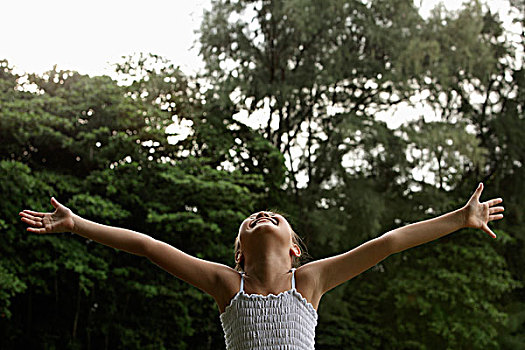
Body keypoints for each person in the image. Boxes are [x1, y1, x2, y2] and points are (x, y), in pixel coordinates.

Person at [19, 182, 504, 349]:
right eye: (251, 219)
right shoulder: (227, 286)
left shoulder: (310, 282)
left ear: (295, 248)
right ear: (238, 253)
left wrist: (459, 218)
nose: (261, 216)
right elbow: (148, 246)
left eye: (274, 218)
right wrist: (79, 224)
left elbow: (390, 242)